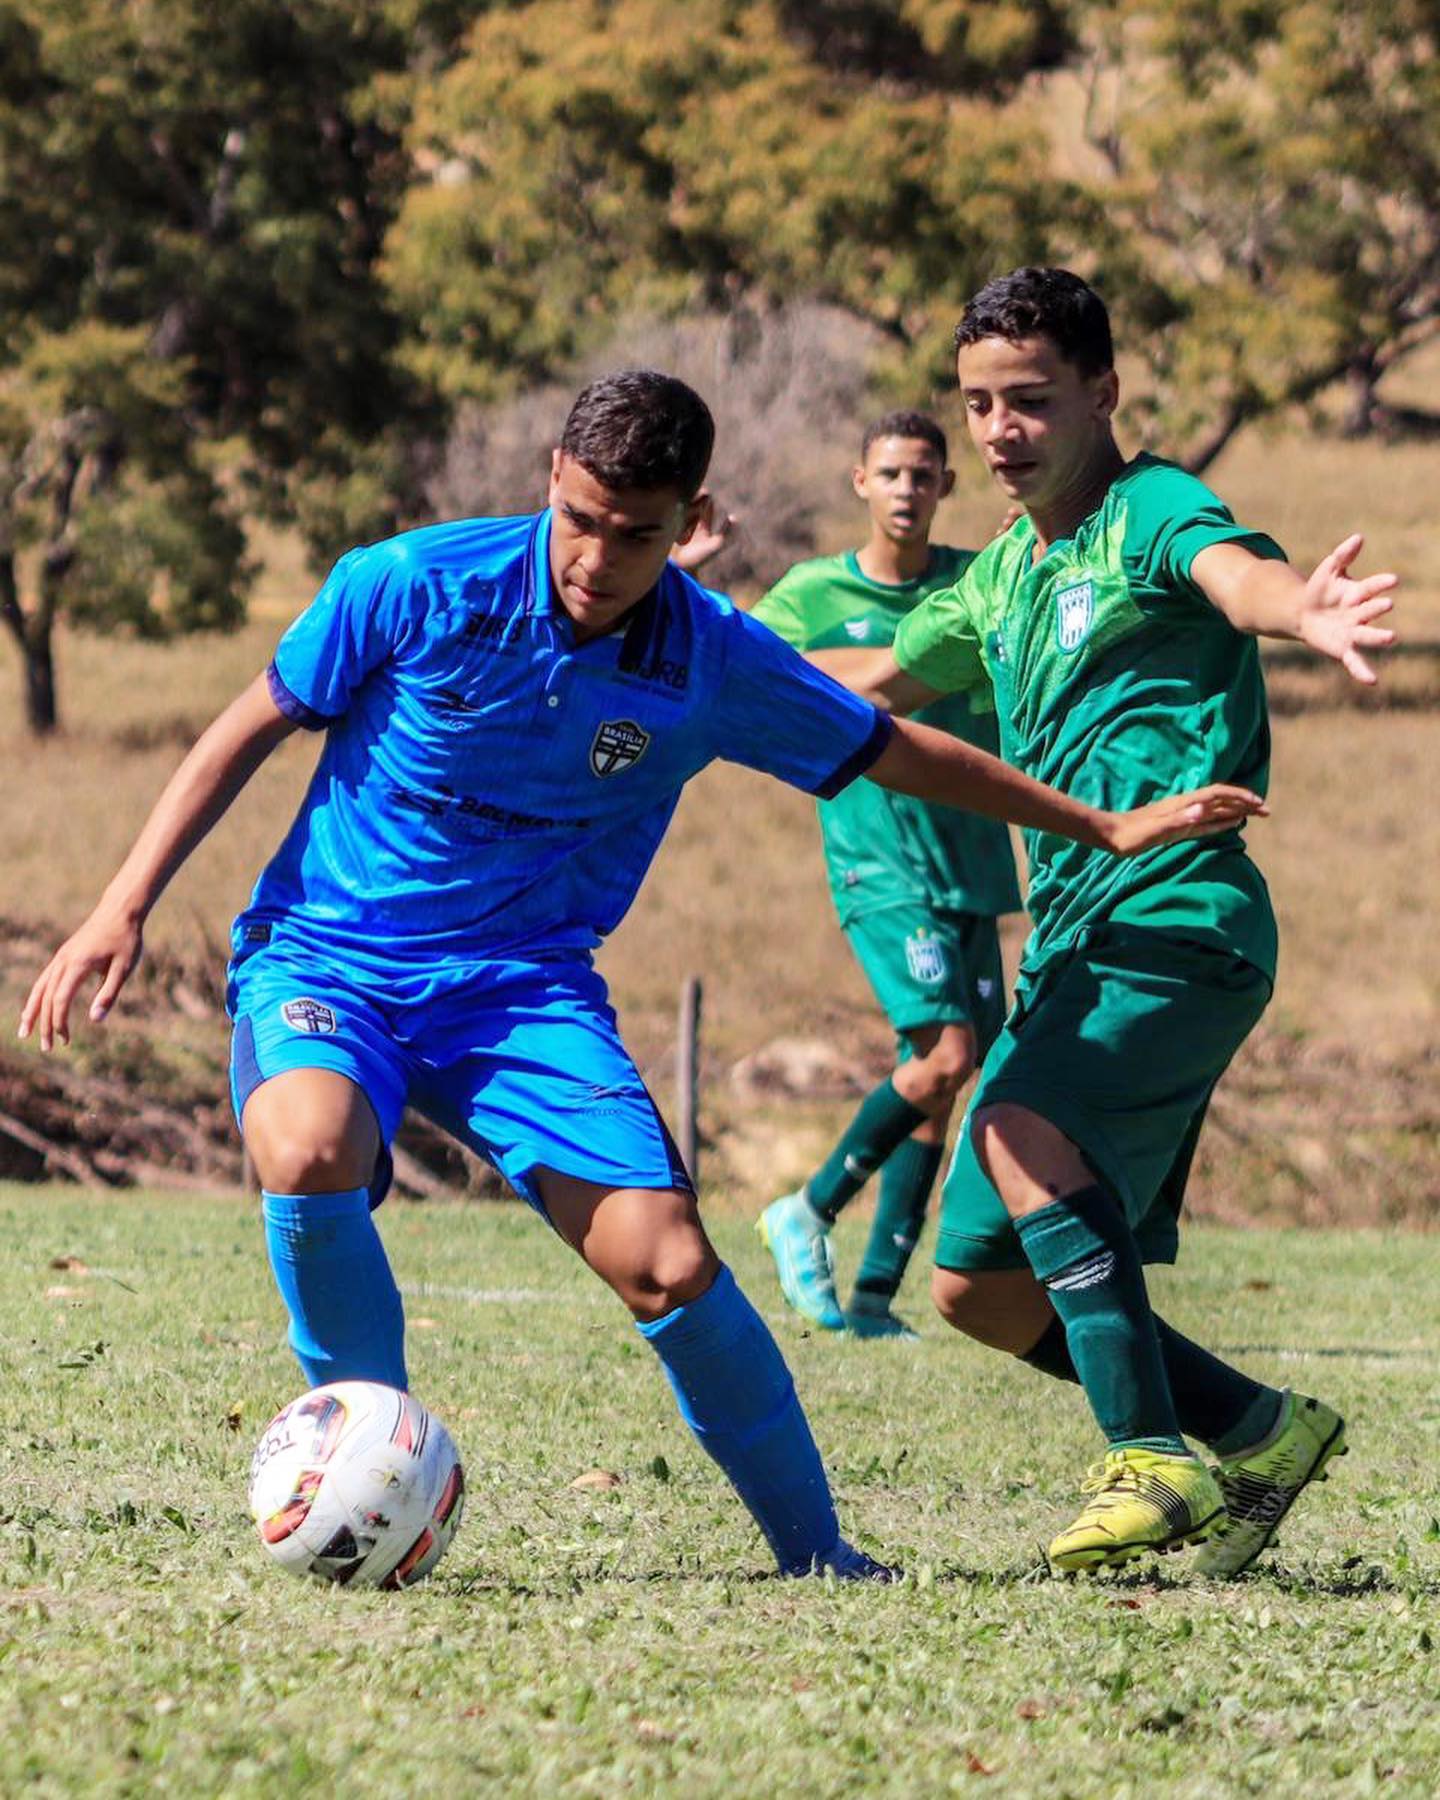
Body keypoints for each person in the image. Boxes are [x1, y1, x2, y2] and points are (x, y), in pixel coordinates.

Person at [19, 368, 1263, 1583]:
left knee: (666, 1260)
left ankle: (821, 1557)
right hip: (329, 962)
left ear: (692, 525)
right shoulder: (408, 582)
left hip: (524, 993)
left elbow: (895, 749)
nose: (597, 559)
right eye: (580, 520)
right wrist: (121, 908)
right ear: (551, 481)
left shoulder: (712, 658)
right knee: (307, 1145)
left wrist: (1096, 826)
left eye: (637, 536)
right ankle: (368, 1459)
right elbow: (244, 725)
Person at [829, 270, 1395, 1575]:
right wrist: (690, 650)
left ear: (1103, 392)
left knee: (1019, 1126)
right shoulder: (994, 586)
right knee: (978, 1286)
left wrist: (1300, 605)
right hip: (1074, 947)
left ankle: (1145, 1458)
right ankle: (1263, 1429)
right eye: (977, 405)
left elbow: (1234, 573)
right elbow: (868, 686)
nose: (997, 432)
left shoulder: (1148, 512)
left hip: (1180, 913)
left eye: (1028, 400)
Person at [742, 413, 1021, 1339]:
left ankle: (871, 1299)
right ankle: (806, 1212)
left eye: (924, 475)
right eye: (891, 472)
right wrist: (878, 674)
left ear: (947, 487)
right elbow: (758, 677)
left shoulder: (979, 584)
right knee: (942, 1056)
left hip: (975, 859)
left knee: (948, 1072)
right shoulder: (813, 591)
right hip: (879, 858)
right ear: (859, 481)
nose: (907, 489)